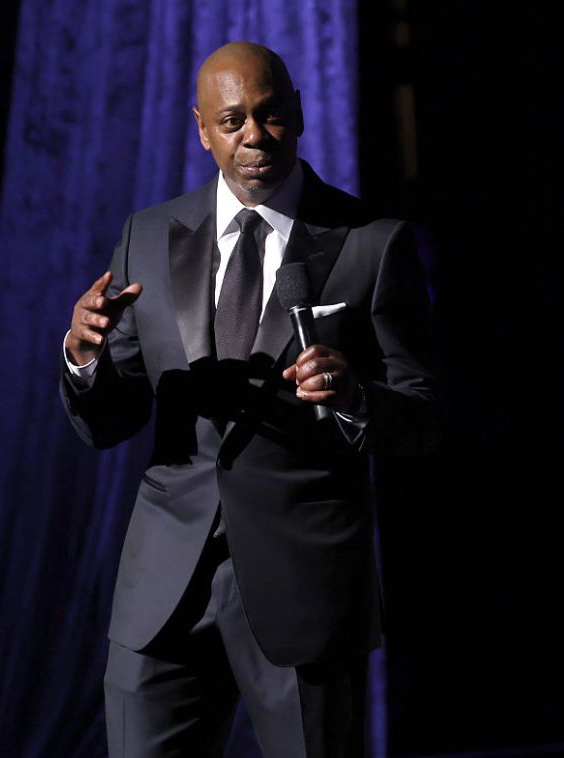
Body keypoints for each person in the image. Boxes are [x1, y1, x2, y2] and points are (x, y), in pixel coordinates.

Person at [61, 41, 438, 757]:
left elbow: (423, 418)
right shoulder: (147, 236)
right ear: (203, 129)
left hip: (303, 588)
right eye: (233, 121)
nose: (255, 136)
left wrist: (355, 397)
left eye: (271, 115)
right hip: (163, 590)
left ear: (299, 113)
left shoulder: (371, 244)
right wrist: (84, 357)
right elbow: (109, 420)